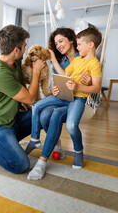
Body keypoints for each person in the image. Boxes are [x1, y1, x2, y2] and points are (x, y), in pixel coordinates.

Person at [26, 26, 102, 180]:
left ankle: (73, 152)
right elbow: (64, 76)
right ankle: (38, 140)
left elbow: (95, 88)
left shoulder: (93, 63)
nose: (59, 45)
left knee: (65, 122)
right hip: (64, 96)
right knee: (40, 109)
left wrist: (81, 86)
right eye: (56, 42)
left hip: (80, 100)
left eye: (61, 41)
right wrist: (57, 86)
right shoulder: (76, 60)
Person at [0, 24, 46, 174]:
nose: (26, 49)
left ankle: (4, 144)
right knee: (20, 165)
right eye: (25, 46)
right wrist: (37, 71)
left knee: (44, 113)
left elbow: (25, 87)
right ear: (16, 50)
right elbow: (30, 99)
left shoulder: (15, 61)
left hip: (13, 119)